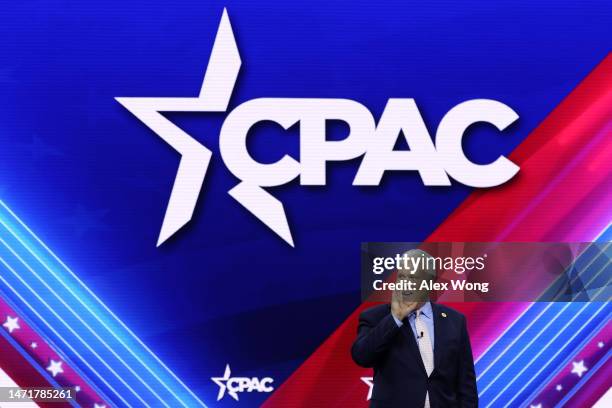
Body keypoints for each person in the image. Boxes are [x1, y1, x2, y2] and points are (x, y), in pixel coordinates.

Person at [351, 249, 478, 407]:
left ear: (430, 282)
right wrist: (394, 318)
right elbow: (362, 356)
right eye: (402, 276)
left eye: (413, 277)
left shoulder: (454, 321)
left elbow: (466, 384)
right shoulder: (376, 317)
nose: (405, 283)